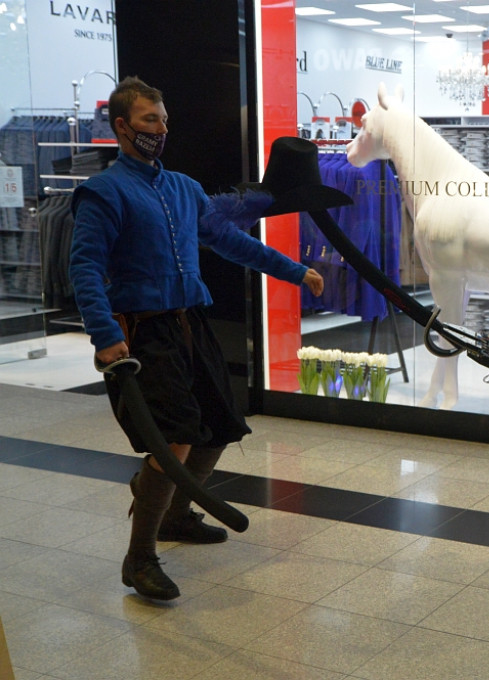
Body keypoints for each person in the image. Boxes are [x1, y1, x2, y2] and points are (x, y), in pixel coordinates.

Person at [69, 77, 337, 600]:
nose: (161, 129)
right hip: (143, 334)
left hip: (192, 322)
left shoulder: (184, 189)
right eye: (150, 120)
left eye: (164, 119)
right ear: (122, 126)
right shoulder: (101, 193)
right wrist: (104, 336)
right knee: (174, 439)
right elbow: (84, 268)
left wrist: (292, 269)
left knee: (215, 427)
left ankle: (174, 514)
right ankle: (139, 558)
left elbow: (231, 242)